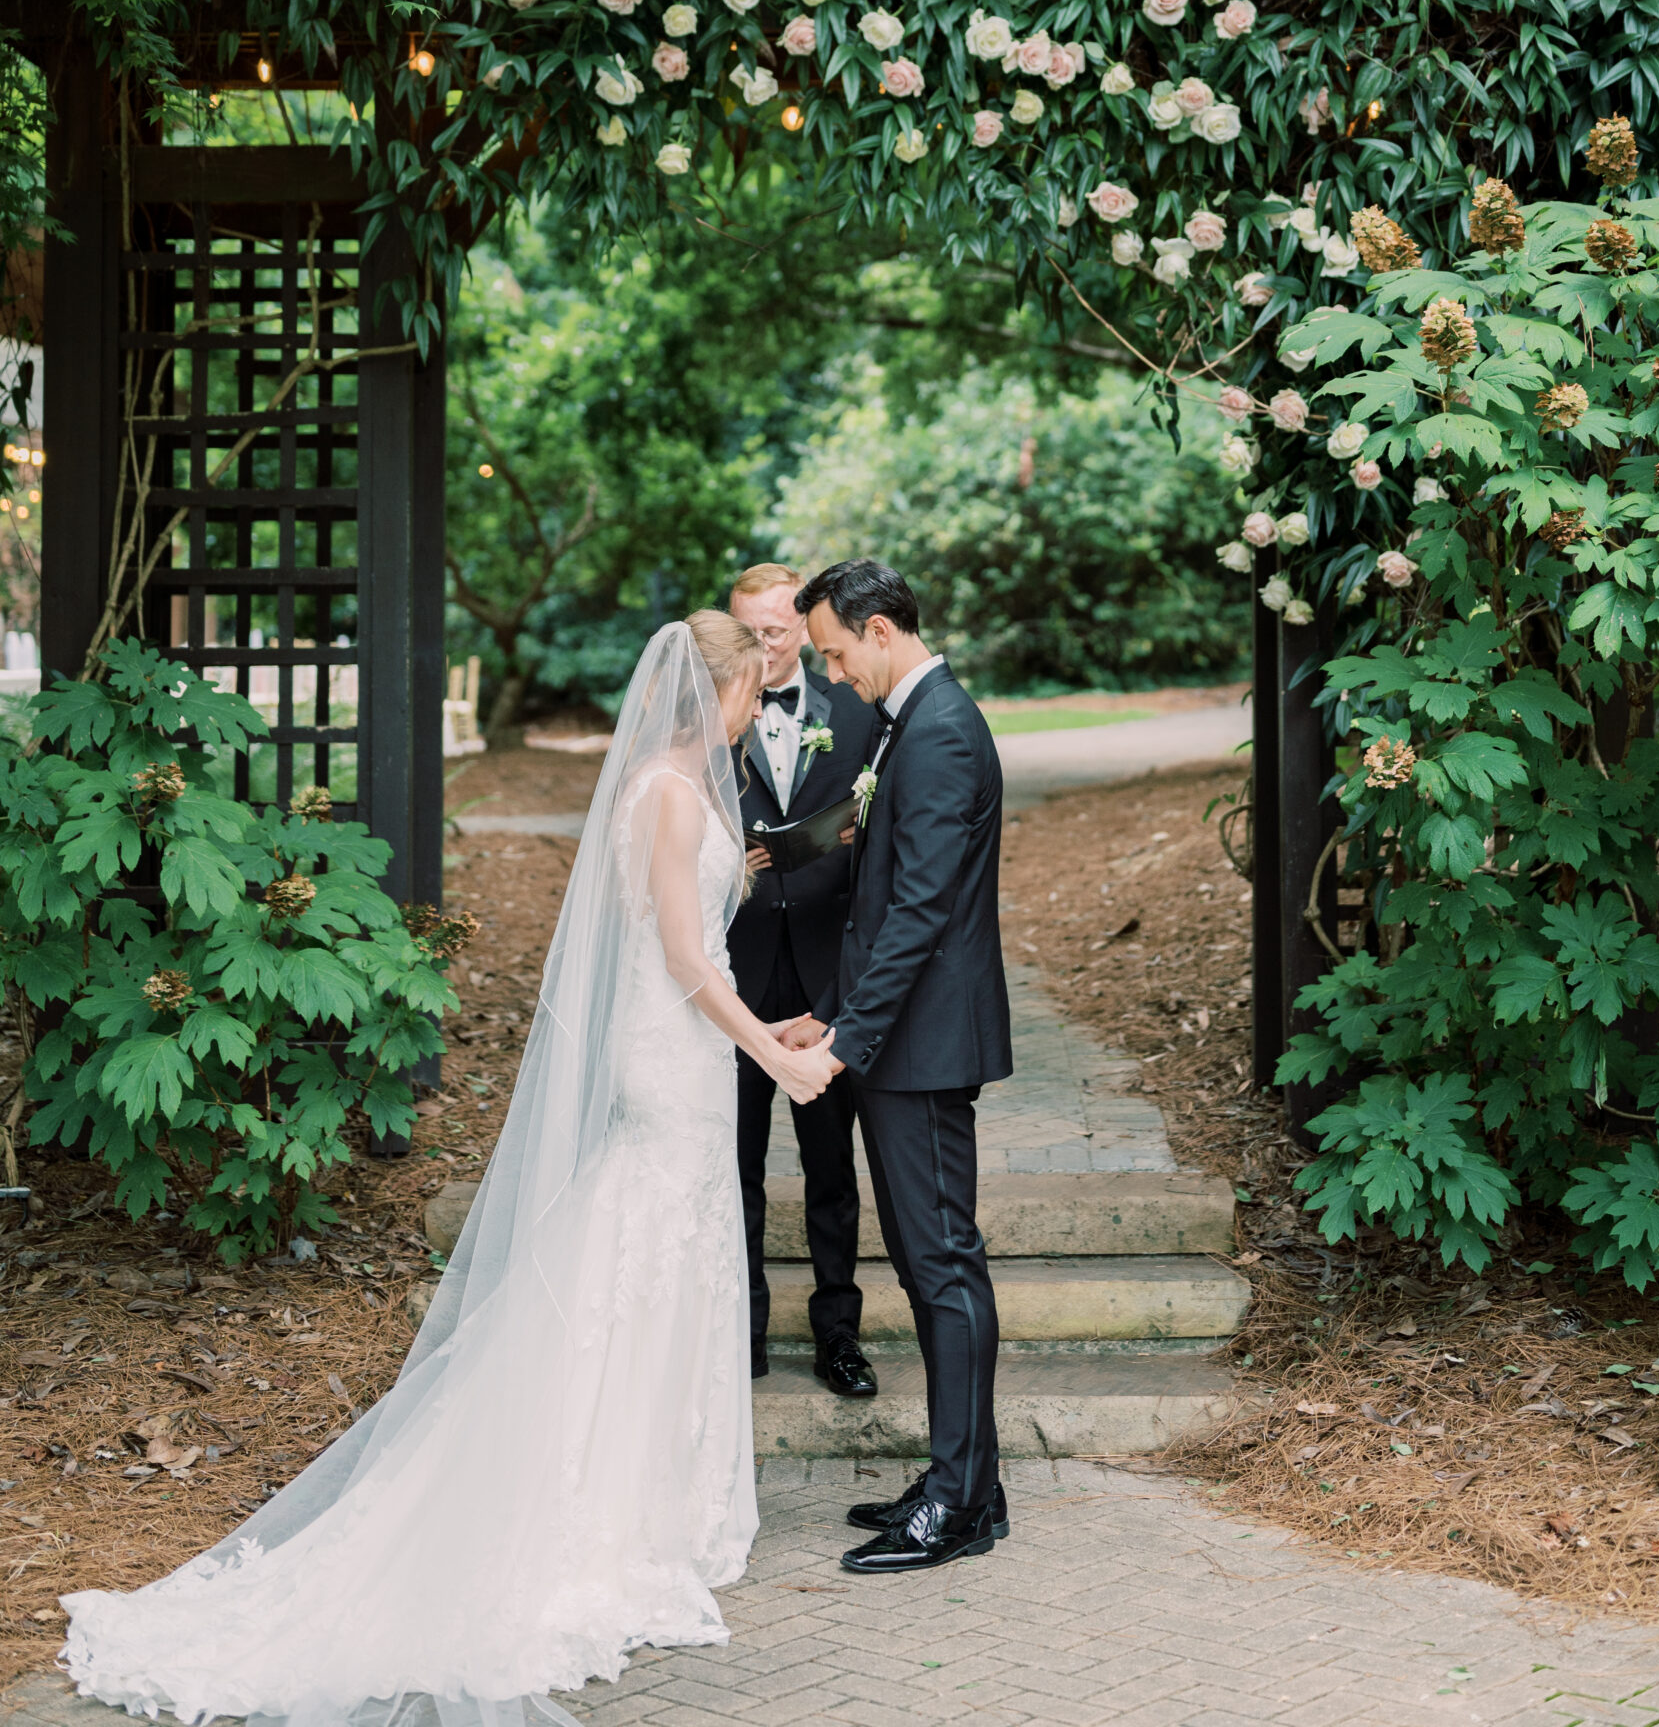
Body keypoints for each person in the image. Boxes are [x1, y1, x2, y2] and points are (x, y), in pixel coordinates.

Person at [61, 612, 839, 1727]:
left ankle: (653, 1500)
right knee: (650, 1246)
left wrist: (776, 1019)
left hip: (690, 1042)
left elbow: (702, 952)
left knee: (660, 1251)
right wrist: (768, 1049)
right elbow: (675, 952)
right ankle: (603, 1511)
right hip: (669, 1052)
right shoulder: (667, 795)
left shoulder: (677, 786)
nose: (751, 712)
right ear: (703, 696)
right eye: (744, 694)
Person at [779, 558, 1013, 1574]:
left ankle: (959, 1504)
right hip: (900, 1037)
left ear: (879, 630)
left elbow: (918, 911)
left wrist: (846, 1040)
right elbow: (880, 903)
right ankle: (967, 1482)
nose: (833, 676)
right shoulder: (910, 725)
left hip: (919, 1050)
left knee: (941, 1267)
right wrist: (825, 1012)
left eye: (834, 652)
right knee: (930, 1269)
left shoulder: (941, 731)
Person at [726, 561, 880, 1398]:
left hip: (828, 967)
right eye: (746, 631)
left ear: (801, 625)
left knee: (831, 1166)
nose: (761, 646)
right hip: (736, 974)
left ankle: (839, 1335)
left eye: (775, 632)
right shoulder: (707, 717)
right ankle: (741, 1333)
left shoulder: (855, 709)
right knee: (734, 1161)